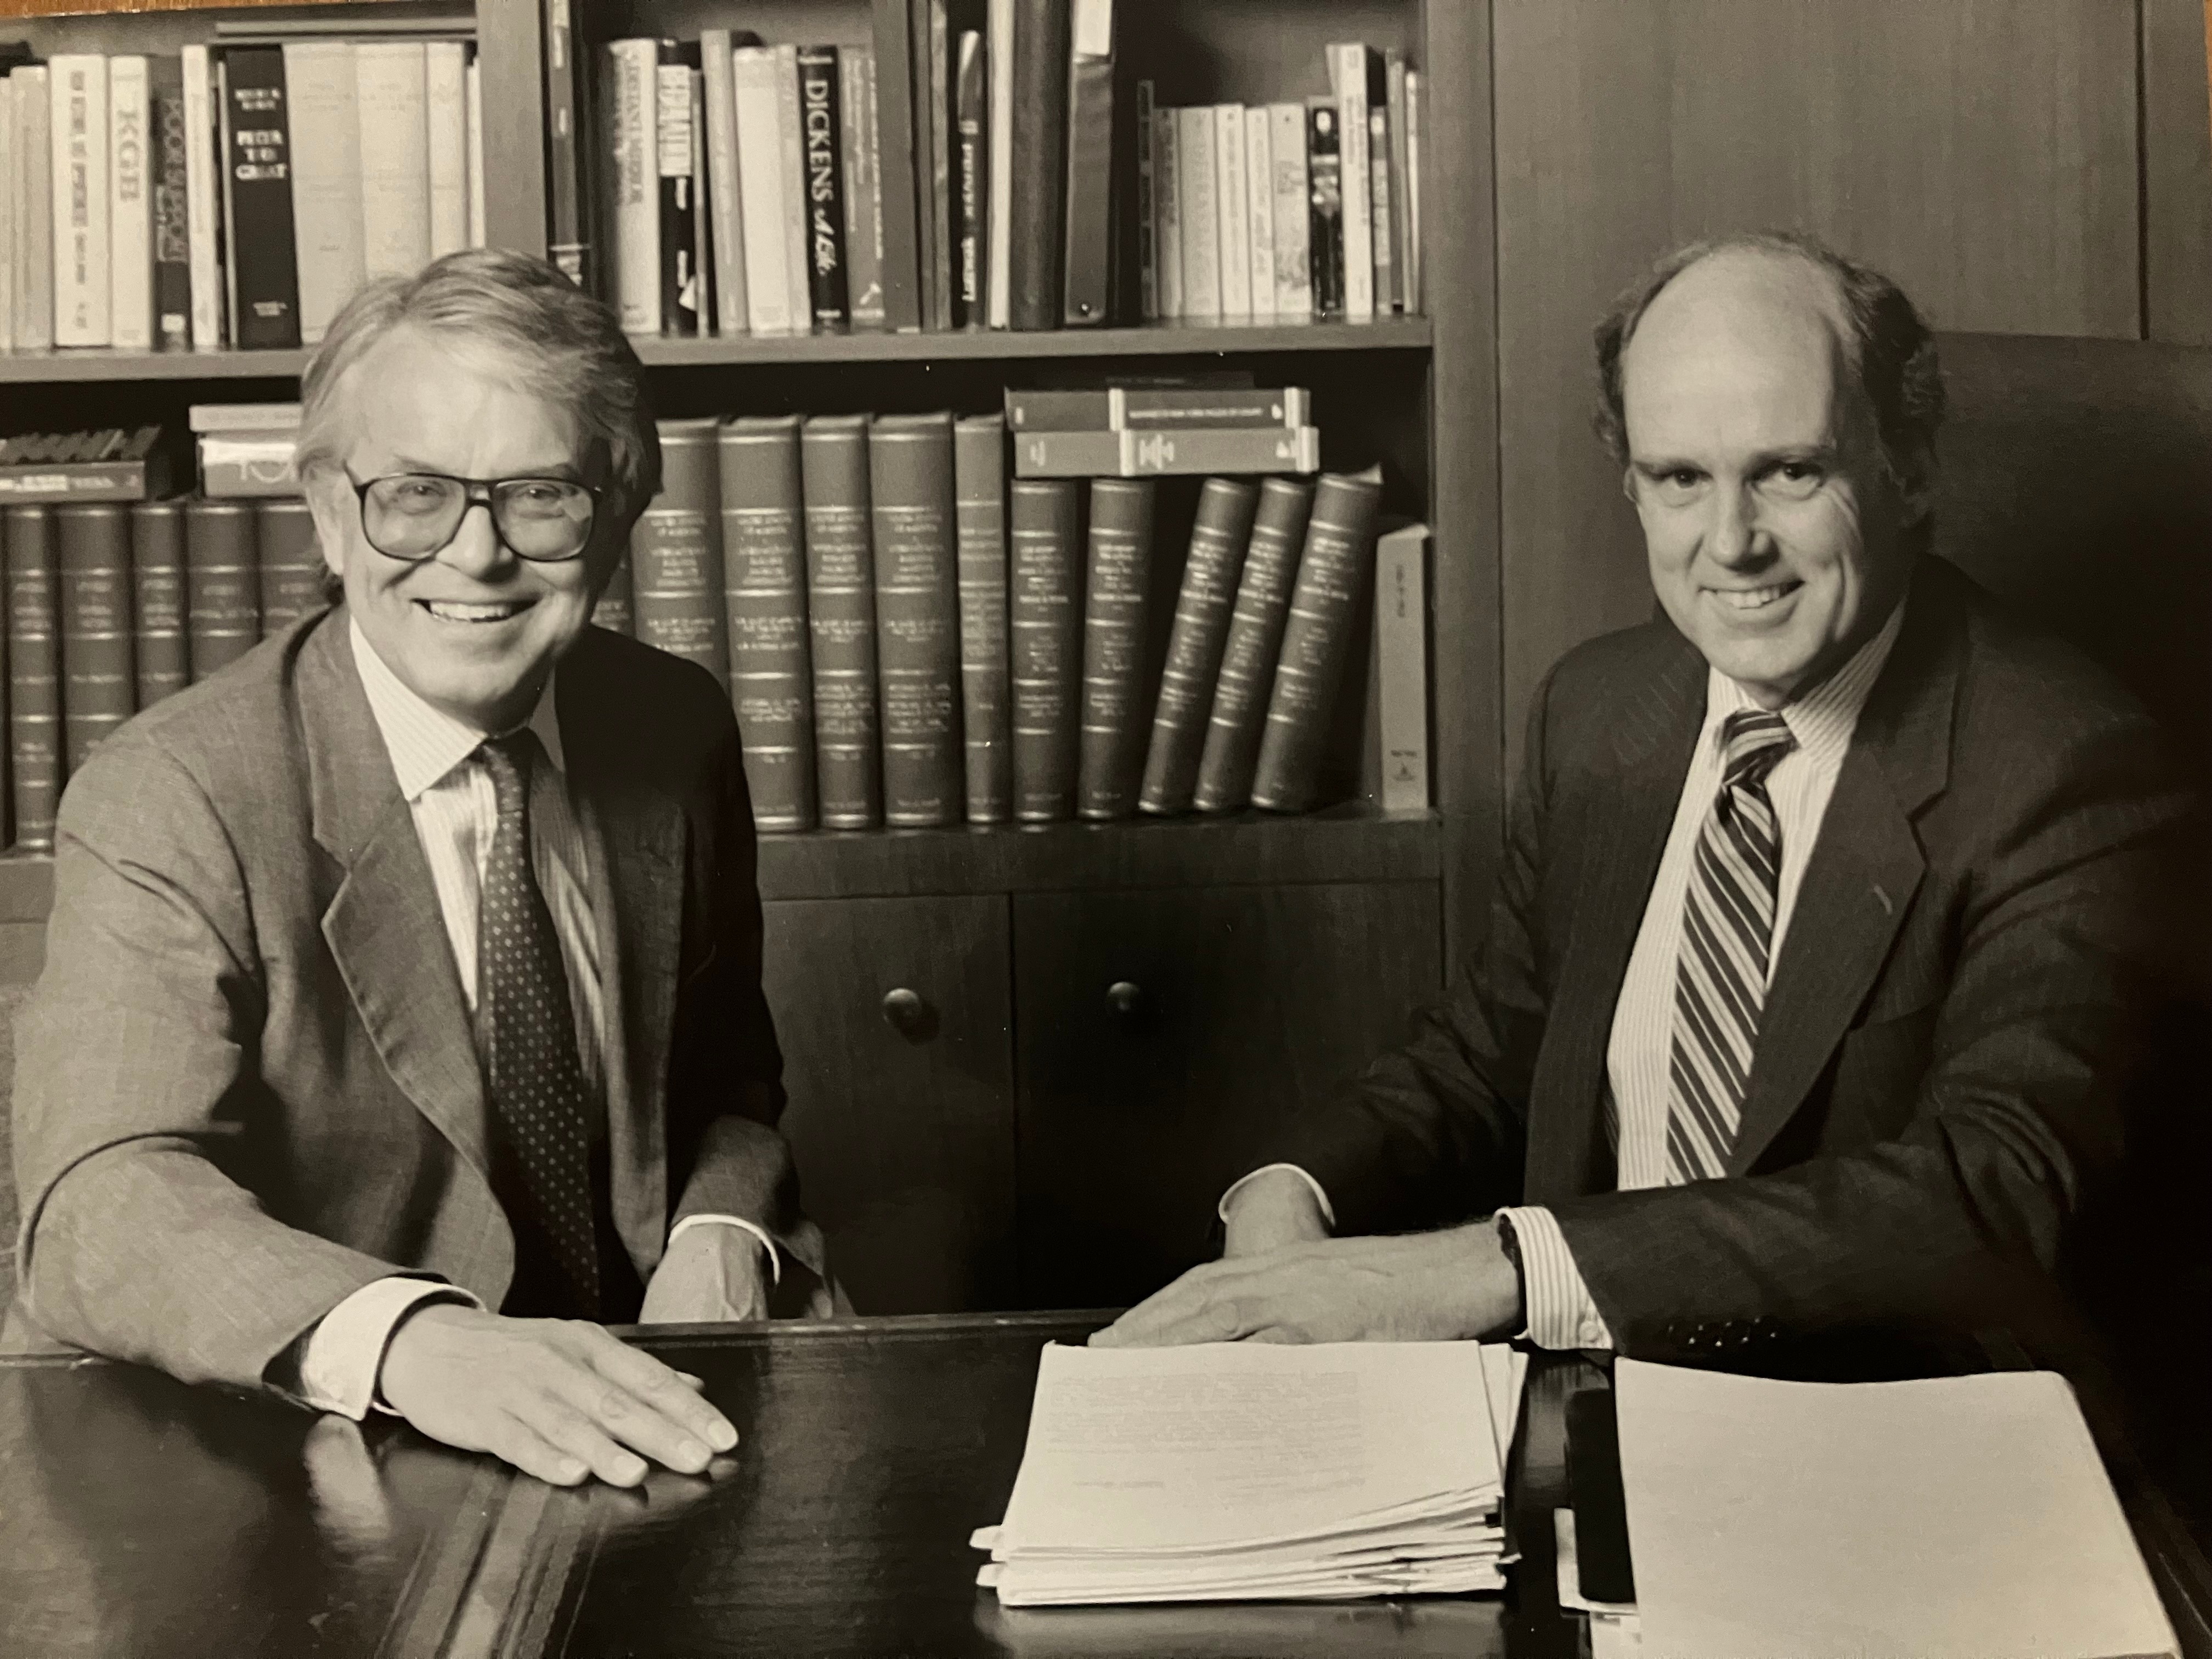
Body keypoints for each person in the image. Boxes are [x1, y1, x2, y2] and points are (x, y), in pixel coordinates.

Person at [1097, 232, 2189, 1362]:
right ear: (1634, 488)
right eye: (1681, 480)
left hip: (1885, 1430)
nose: (1733, 544)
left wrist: (1503, 1267)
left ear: (1909, 470)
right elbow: (1494, 1049)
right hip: (1593, 1416)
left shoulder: (2066, 765)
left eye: (1790, 471)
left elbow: (1991, 1190)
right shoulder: (1601, 709)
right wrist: (1291, 1191)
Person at [6, 249, 832, 1487]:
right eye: (414, 496)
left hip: (639, 1416)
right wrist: (420, 1343)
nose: (477, 553)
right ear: (332, 516)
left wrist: (724, 1227)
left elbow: (725, 1074)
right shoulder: (174, 793)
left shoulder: (674, 727)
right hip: (313, 1452)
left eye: (540, 494)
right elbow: (101, 1194)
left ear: (621, 511)